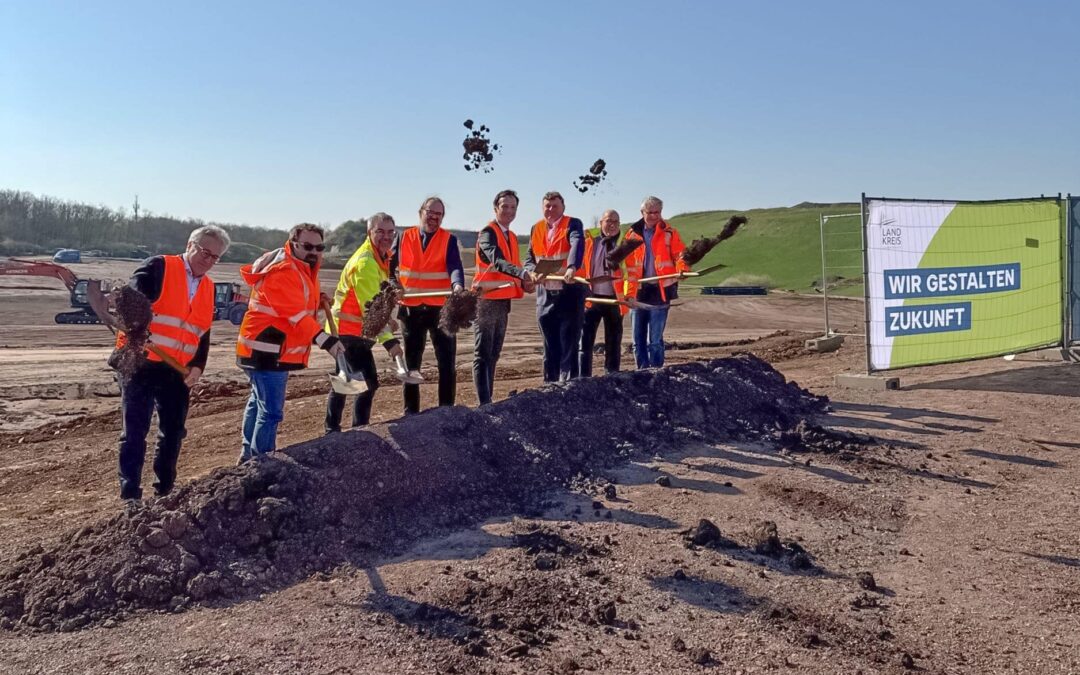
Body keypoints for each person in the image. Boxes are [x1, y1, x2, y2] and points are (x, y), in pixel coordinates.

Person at [116, 225, 230, 504]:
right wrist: (136, 328)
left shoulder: (209, 286)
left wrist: (198, 367)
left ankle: (164, 490)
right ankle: (130, 495)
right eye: (205, 252)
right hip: (140, 362)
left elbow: (202, 332)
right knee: (135, 431)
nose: (208, 260)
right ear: (190, 244)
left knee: (173, 432)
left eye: (215, 257)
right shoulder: (159, 266)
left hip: (177, 369)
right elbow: (131, 299)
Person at [236, 223, 345, 463]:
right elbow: (295, 315)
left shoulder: (303, 268)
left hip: (268, 348)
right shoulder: (283, 270)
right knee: (271, 412)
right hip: (266, 350)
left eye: (319, 247)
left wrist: (318, 300)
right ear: (293, 243)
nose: (314, 251)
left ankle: (247, 457)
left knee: (258, 403)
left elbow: (296, 304)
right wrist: (325, 340)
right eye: (307, 246)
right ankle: (261, 463)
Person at [324, 212, 405, 432]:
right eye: (380, 231)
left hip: (353, 329)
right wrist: (390, 341)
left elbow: (374, 295)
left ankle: (332, 428)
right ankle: (358, 429)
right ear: (369, 232)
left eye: (390, 232)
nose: (386, 236)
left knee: (347, 380)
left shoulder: (380, 256)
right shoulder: (366, 262)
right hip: (348, 330)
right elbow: (371, 308)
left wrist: (388, 317)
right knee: (367, 383)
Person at [390, 197, 466, 413]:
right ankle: (411, 411)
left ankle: (446, 409)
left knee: (446, 362)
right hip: (411, 309)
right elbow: (390, 268)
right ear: (420, 212)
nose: (433, 218)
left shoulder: (448, 240)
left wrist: (458, 285)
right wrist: (393, 285)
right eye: (430, 213)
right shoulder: (403, 237)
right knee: (412, 364)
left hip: (440, 309)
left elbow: (455, 266)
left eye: (438, 215)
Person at [472, 189, 539, 405]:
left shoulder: (510, 236)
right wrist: (522, 274)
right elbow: (497, 261)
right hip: (486, 301)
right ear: (496, 208)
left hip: (503, 301)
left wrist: (525, 283)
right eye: (505, 207)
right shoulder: (488, 233)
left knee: (494, 353)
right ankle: (484, 402)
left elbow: (514, 267)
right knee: (483, 353)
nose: (509, 211)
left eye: (513, 207)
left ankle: (488, 399)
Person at [524, 191, 585, 382]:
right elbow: (529, 258)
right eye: (547, 206)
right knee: (549, 346)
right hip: (545, 295)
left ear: (563, 207)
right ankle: (549, 387)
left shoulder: (573, 224)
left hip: (569, 293)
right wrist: (531, 271)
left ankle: (569, 387)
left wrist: (572, 267)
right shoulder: (536, 228)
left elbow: (577, 243)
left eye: (555, 206)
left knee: (569, 344)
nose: (550, 209)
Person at [624, 196, 690, 369]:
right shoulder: (632, 235)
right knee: (638, 341)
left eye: (657, 212)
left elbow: (680, 255)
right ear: (642, 212)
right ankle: (642, 373)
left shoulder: (670, 233)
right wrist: (628, 294)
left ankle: (657, 375)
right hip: (638, 291)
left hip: (660, 291)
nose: (654, 216)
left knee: (654, 341)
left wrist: (682, 269)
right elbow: (629, 268)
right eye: (650, 212)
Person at [577, 209, 628, 377]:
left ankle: (611, 376)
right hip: (591, 297)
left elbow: (632, 273)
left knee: (613, 342)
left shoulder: (625, 244)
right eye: (608, 221)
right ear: (601, 223)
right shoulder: (590, 241)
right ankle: (583, 378)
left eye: (616, 221)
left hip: (615, 299)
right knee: (585, 342)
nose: (612, 225)